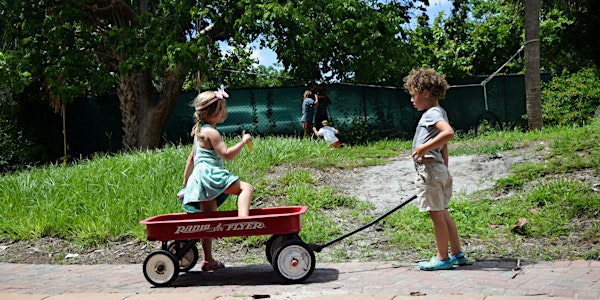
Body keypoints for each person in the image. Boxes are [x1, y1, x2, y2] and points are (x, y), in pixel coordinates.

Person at [181, 88, 254, 271]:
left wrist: (186, 181)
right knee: (246, 188)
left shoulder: (199, 133)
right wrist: (243, 141)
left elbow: (191, 158)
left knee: (208, 221)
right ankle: (243, 222)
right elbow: (227, 155)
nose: (223, 112)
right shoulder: (213, 133)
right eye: (220, 109)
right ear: (208, 112)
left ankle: (208, 260)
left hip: (199, 178)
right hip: (210, 174)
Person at [403, 68, 467, 271]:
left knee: (436, 215)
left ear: (426, 92)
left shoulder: (432, 114)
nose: (412, 100)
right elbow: (444, 146)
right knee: (444, 212)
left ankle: (442, 257)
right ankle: (457, 253)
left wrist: (423, 148)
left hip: (429, 169)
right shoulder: (440, 113)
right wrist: (444, 170)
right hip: (438, 169)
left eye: (414, 95)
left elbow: (448, 134)